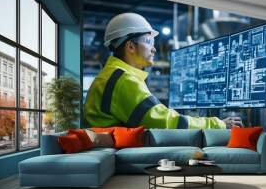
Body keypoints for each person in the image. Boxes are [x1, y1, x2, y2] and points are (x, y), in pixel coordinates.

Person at [84, 13, 242, 129]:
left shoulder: (112, 74)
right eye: (149, 41)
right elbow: (165, 122)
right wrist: (217, 124)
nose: (153, 49)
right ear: (130, 46)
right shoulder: (123, 80)